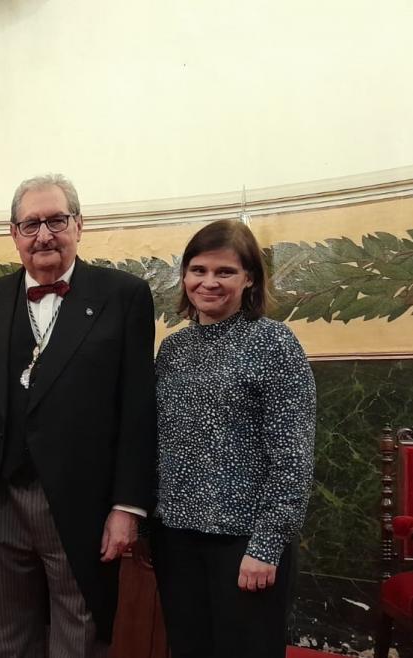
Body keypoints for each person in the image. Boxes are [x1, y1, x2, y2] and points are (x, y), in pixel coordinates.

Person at [0, 174, 156, 657]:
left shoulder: (123, 296)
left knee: (79, 640)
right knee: (4, 641)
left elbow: (137, 409)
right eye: (30, 224)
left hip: (81, 504)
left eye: (56, 220)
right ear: (14, 234)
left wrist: (127, 507)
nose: (43, 234)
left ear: (79, 225)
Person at [151, 219, 315, 657]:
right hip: (177, 539)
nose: (209, 282)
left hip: (245, 545)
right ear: (183, 276)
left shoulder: (274, 343)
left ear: (250, 279)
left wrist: (266, 544)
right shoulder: (172, 351)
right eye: (198, 270)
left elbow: (292, 456)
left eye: (224, 272)